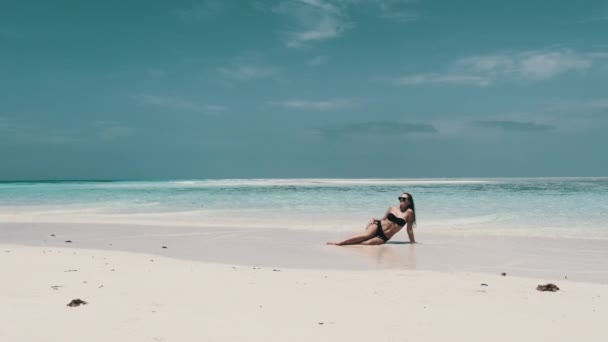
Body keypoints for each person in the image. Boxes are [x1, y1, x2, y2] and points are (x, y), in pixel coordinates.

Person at [327, 192, 417, 245]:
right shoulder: (392, 208)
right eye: (400, 198)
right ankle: (339, 243)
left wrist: (412, 243)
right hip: (378, 226)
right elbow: (383, 219)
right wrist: (373, 220)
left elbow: (409, 229)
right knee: (365, 235)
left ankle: (344, 244)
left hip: (384, 236)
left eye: (404, 199)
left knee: (365, 244)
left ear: (409, 202)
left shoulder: (409, 212)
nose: (401, 200)